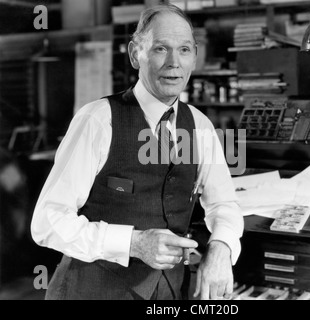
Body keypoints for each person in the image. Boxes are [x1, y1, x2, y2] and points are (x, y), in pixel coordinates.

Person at [31, 4, 244, 300]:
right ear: (135, 55)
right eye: (160, 49)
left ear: (195, 57)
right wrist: (133, 243)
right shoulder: (98, 120)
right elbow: (46, 221)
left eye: (184, 50)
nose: (174, 63)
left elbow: (224, 204)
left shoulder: (200, 126)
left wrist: (222, 247)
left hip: (170, 293)